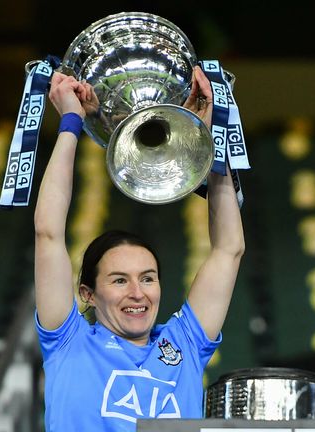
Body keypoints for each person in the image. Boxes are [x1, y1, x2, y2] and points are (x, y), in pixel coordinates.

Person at [34, 66, 244, 431]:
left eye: (147, 278)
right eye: (119, 280)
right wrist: (70, 121)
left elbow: (229, 249)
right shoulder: (69, 342)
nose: (137, 293)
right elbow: (48, 233)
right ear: (88, 294)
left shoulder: (184, 344)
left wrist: (207, 137)